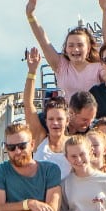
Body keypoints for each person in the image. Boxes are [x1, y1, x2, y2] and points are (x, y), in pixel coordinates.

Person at [26, 0, 102, 98]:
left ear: (88, 48)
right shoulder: (61, 65)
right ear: (66, 49)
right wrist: (30, 16)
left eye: (80, 45)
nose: (75, 49)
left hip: (94, 113)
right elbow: (43, 41)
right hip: (67, 113)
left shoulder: (99, 67)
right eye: (71, 45)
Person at [23, 47, 71, 178]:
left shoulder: (74, 143)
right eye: (51, 119)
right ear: (46, 120)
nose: (55, 123)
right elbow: (28, 104)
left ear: (67, 120)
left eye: (59, 119)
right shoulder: (40, 138)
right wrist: (32, 72)